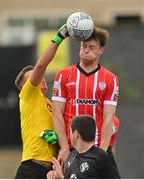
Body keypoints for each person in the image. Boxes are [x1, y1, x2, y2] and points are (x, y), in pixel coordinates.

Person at [52, 26, 120, 176]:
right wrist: (63, 147)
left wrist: (101, 152)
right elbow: (57, 112)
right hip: (72, 150)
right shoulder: (63, 75)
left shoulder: (110, 79)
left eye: (91, 47)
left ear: (101, 50)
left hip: (98, 148)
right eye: (83, 46)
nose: (86, 50)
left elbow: (109, 117)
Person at [14, 24, 69, 178]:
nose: (41, 78)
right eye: (34, 78)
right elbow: (41, 66)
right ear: (26, 87)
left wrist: (57, 139)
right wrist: (58, 38)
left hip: (49, 170)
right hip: (31, 167)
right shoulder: (28, 96)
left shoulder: (51, 105)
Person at [47, 115, 120, 179]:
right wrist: (60, 177)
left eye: (70, 132)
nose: (69, 135)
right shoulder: (71, 156)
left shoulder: (101, 157)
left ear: (76, 134)